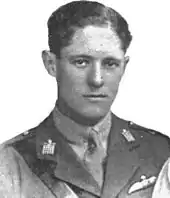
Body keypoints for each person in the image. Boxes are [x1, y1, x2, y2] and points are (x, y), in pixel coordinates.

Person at [0, 1, 170, 197]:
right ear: (51, 64)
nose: (97, 79)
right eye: (81, 62)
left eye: (110, 64)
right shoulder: (9, 164)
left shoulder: (161, 153)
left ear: (124, 67)